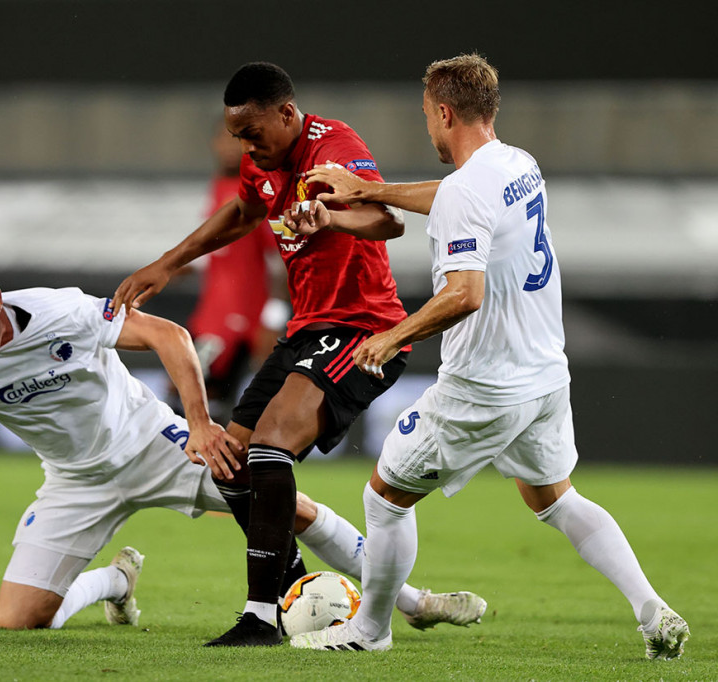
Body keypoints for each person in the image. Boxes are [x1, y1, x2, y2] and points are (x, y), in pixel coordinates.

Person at [0, 258, 435, 632]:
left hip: (150, 442)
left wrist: (196, 422)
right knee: (17, 621)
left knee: (287, 506)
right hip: (74, 481)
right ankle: (113, 581)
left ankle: (404, 601)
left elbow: (170, 334)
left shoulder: (63, 311)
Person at [285, 54, 690, 660]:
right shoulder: (516, 164)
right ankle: (651, 609)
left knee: (384, 495)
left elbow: (464, 293)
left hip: (483, 387)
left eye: (427, 116)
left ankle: (369, 632)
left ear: (444, 112)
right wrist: (371, 189)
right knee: (555, 499)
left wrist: (394, 336)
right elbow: (453, 198)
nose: (428, 127)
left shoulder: (467, 188)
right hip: (545, 375)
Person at [114, 62, 486, 646]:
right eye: (238, 135)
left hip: (364, 330)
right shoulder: (259, 160)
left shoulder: (333, 148)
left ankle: (261, 616)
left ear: (287, 114)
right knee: (230, 461)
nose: (246, 145)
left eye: (254, 132)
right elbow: (243, 211)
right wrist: (168, 263)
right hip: (307, 329)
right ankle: (293, 589)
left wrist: (329, 215)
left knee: (269, 445)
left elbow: (385, 220)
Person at [184, 120, 288, 422]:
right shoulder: (218, 186)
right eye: (223, 140)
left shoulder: (259, 191)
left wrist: (274, 317)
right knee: (191, 398)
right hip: (211, 316)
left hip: (243, 321)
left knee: (208, 401)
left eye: (236, 142)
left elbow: (280, 258)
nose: (228, 148)